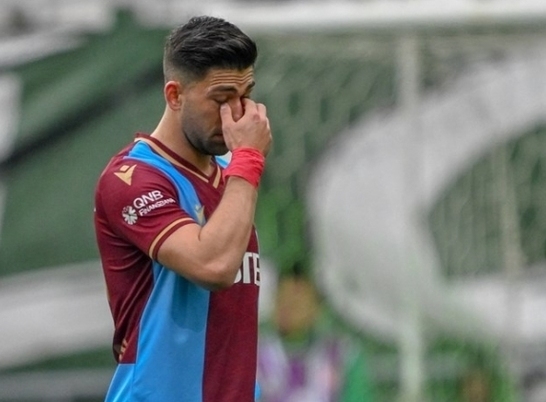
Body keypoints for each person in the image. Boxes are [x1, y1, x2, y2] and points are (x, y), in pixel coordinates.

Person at [93, 15, 271, 402]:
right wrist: (248, 161)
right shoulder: (132, 179)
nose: (237, 114)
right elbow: (214, 265)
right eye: (221, 99)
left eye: (246, 96)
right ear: (175, 96)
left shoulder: (232, 178)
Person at [257, 266, 375, 402]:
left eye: (297, 302)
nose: (287, 308)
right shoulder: (255, 355)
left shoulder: (343, 355)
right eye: (282, 298)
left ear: (316, 308)